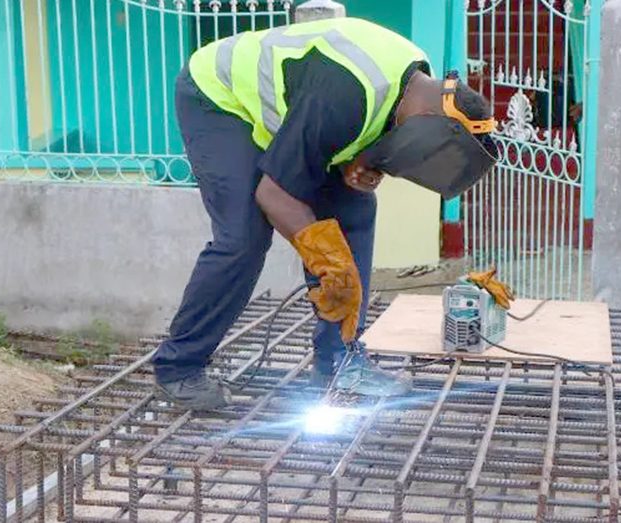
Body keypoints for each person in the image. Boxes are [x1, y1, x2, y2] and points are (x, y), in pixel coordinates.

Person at [151, 17, 499, 409]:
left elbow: (380, 133)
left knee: (355, 211)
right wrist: (329, 262)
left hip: (304, 109)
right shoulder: (344, 95)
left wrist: (368, 161)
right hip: (220, 99)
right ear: (432, 123)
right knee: (244, 238)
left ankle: (339, 361)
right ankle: (178, 368)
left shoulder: (420, 87)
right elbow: (274, 195)